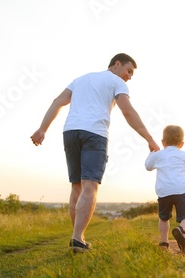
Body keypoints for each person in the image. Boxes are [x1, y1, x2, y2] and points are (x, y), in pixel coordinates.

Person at [31, 53, 160, 253]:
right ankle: (77, 238)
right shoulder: (117, 82)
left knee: (77, 187)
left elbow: (57, 101)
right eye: (129, 71)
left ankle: (79, 237)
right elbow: (128, 112)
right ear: (117, 64)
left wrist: (42, 129)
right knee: (90, 185)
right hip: (94, 134)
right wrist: (149, 139)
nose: (129, 76)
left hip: (70, 132)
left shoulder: (81, 79)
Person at [145, 125, 185, 253]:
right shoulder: (183, 155)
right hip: (181, 191)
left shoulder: (158, 155)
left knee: (164, 218)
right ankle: (181, 230)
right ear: (182, 144)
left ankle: (164, 242)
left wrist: (152, 152)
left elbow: (148, 166)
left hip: (163, 192)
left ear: (163, 142)